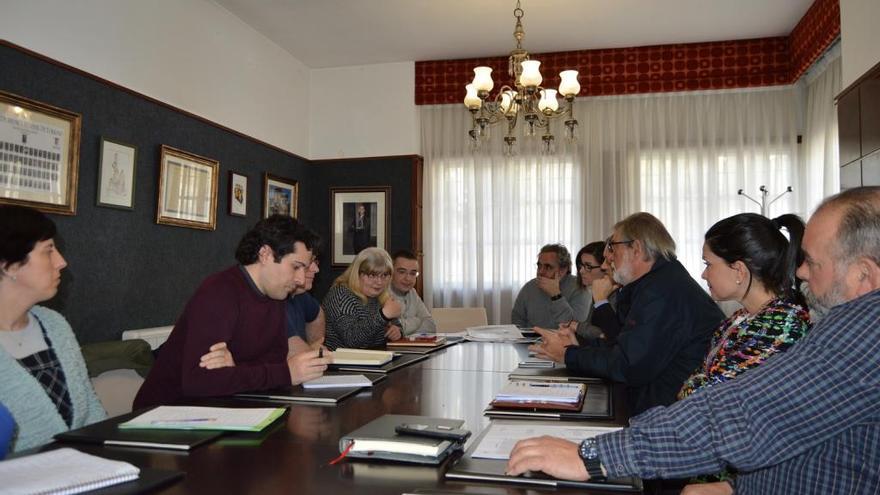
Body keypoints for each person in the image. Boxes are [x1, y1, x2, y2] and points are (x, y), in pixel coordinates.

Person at [507, 187, 880, 494]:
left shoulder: (863, 330)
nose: (799, 271)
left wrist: (593, 456)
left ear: (864, 273)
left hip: (692, 455)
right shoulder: (739, 318)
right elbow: (814, 444)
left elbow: (744, 416)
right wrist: (737, 487)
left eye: (812, 262)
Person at [532, 213, 724, 414]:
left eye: (612, 247)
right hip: (657, 404)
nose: (608, 256)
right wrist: (579, 345)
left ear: (637, 249)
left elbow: (628, 366)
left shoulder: (662, 291)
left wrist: (567, 354)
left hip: (667, 416)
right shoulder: (655, 283)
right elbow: (624, 345)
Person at [134, 215, 331, 409]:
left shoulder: (276, 296)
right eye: (296, 267)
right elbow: (198, 381)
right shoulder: (219, 292)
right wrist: (286, 373)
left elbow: (274, 360)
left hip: (219, 407)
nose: (300, 279)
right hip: (165, 412)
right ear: (265, 254)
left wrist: (235, 367)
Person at [679, 213, 812, 491]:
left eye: (708, 264)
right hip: (715, 468)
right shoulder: (741, 318)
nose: (703, 274)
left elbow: (706, 398)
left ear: (739, 270)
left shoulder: (780, 326)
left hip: (747, 480)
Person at [0, 205, 106, 452]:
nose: (61, 262)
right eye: (48, 250)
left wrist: (109, 459)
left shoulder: (54, 324)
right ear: (8, 265)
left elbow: (89, 406)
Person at [323, 247, 402, 350]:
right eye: (372, 275)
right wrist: (383, 315)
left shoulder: (381, 296)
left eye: (384, 275)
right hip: (343, 361)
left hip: (375, 358)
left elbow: (396, 325)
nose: (379, 282)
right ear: (357, 273)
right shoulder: (340, 294)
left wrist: (398, 331)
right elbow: (352, 339)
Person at [511, 244, 589, 329]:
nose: (540, 271)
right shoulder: (529, 287)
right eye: (539, 265)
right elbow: (517, 320)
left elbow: (574, 326)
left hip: (565, 341)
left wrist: (556, 295)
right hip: (532, 340)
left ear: (563, 270)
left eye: (548, 267)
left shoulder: (579, 288)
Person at [388, 250, 436, 336]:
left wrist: (402, 331)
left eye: (413, 273)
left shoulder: (412, 292)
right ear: (391, 272)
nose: (408, 278)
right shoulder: (381, 293)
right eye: (402, 272)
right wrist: (417, 320)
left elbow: (431, 326)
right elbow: (388, 330)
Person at [286, 255, 326, 355]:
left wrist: (311, 346)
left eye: (315, 261)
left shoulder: (301, 295)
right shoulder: (274, 299)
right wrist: (310, 351)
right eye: (308, 262)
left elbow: (317, 313)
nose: (316, 269)